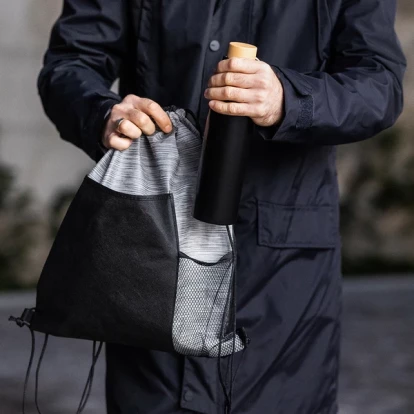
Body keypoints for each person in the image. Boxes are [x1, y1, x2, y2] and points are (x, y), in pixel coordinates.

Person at [37, 0, 406, 413]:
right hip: (153, 252)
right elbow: (71, 63)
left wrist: (287, 98)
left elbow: (380, 84)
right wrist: (102, 113)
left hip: (283, 276)